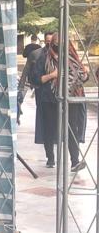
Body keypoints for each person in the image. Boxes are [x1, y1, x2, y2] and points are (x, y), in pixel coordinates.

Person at [31, 33, 89, 171]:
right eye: (56, 42)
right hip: (50, 98)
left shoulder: (72, 58)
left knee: (72, 129)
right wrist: (52, 75)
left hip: (70, 98)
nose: (59, 45)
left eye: (62, 42)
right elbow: (35, 79)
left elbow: (81, 77)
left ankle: (75, 162)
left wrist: (84, 73)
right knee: (50, 129)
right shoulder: (44, 58)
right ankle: (51, 158)